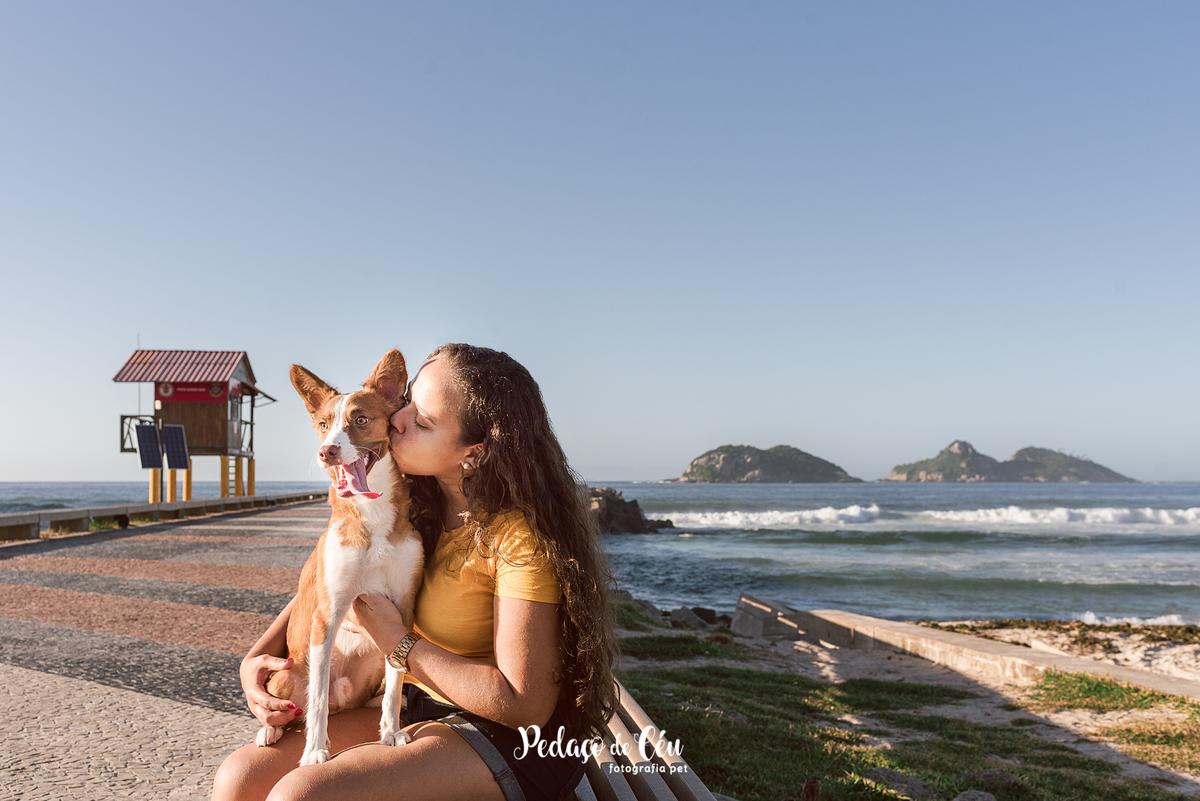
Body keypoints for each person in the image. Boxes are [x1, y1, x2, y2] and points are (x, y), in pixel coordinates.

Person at [212, 344, 619, 801]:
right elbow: (327, 588)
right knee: (240, 777)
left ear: (475, 452)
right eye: (406, 405)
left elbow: (522, 706)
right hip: (417, 702)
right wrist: (255, 658)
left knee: (302, 795)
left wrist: (398, 643)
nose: (397, 420)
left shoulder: (517, 538)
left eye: (421, 421)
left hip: (506, 737)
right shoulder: (415, 501)